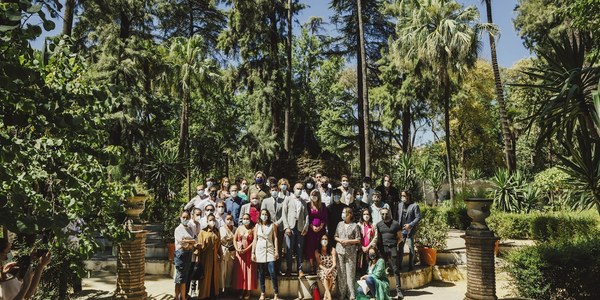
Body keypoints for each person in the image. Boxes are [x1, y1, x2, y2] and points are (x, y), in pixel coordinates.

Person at [282, 182, 309, 277]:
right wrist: (286, 227)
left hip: (300, 228)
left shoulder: (303, 202)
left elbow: (306, 215)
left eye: (301, 189)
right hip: (290, 227)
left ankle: (300, 270)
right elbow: (284, 214)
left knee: (299, 249)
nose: (299, 190)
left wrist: (306, 227)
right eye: (297, 188)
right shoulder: (288, 199)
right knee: (289, 250)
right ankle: (289, 270)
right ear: (293, 189)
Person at [252, 209, 280, 300]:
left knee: (272, 272)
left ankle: (276, 293)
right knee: (261, 273)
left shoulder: (272, 225)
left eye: (266, 214)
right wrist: (253, 253)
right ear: (260, 215)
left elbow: (275, 238)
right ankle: (262, 293)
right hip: (259, 250)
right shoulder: (257, 226)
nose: (264, 216)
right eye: (262, 214)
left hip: (270, 249)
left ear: (268, 215)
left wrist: (276, 251)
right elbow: (254, 239)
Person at [377, 208, 404, 299]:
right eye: (383, 214)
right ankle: (384, 291)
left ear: (390, 213)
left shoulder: (396, 224)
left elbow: (400, 237)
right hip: (383, 250)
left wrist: (394, 245)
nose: (385, 215)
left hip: (392, 249)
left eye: (386, 213)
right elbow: (378, 239)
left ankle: (399, 291)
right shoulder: (379, 225)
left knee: (395, 270)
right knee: (382, 271)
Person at [261, 181, 288, 272]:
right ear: (270, 191)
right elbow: (263, 213)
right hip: (268, 228)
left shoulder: (283, 200)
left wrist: (278, 223)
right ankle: (267, 270)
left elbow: (285, 214)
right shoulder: (265, 201)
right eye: (273, 190)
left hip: (279, 228)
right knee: (268, 248)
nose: (274, 191)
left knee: (278, 248)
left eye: (276, 190)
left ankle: (277, 269)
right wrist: (271, 224)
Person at [335, 207, 361, 300]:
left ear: (349, 215)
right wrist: (340, 240)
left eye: (344, 212)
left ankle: (351, 294)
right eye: (342, 212)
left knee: (350, 273)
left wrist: (348, 241)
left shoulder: (355, 225)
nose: (342, 214)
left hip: (351, 253)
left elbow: (358, 239)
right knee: (341, 273)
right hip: (340, 251)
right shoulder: (339, 224)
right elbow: (336, 236)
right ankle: (341, 294)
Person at [196, 214, 222, 300]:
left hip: (214, 257)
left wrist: (220, 255)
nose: (212, 222)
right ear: (207, 221)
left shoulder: (217, 231)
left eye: (213, 220)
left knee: (214, 276)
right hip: (205, 257)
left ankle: (213, 294)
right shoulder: (202, 232)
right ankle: (204, 295)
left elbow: (219, 245)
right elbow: (199, 246)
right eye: (210, 220)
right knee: (205, 276)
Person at [233, 214, 257, 300]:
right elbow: (234, 239)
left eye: (247, 218)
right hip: (239, 254)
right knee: (241, 272)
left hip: (249, 253)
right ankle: (242, 289)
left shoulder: (253, 229)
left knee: (249, 272)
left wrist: (246, 249)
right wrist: (236, 248)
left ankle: (248, 290)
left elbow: (254, 241)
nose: (245, 220)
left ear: (250, 219)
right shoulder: (239, 228)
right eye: (244, 218)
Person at [173, 211, 196, 300]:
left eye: (187, 217)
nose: (185, 219)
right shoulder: (178, 229)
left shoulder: (190, 228)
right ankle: (181, 297)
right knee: (180, 277)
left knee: (184, 277)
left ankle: (180, 296)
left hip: (188, 254)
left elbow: (194, 240)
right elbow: (182, 243)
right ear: (180, 217)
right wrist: (189, 242)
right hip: (181, 255)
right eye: (183, 217)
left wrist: (188, 241)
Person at [305, 189, 328, 274]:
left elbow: (325, 218)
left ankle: (320, 265)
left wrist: (320, 226)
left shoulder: (323, 205)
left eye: (316, 195)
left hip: (321, 231)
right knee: (311, 247)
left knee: (319, 246)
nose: (314, 196)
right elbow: (307, 218)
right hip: (311, 231)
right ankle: (311, 266)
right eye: (312, 195)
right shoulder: (308, 205)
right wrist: (312, 226)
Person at [397, 190, 421, 271]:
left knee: (411, 248)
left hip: (410, 231)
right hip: (401, 230)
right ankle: (399, 265)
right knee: (400, 248)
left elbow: (418, 217)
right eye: (402, 196)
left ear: (408, 196)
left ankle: (411, 266)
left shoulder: (414, 206)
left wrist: (410, 225)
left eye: (404, 195)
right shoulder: (400, 205)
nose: (403, 197)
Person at [219, 214, 236, 294]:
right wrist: (232, 238)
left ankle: (228, 287)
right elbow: (222, 239)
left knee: (230, 270)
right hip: (224, 250)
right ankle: (221, 288)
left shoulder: (235, 229)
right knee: (223, 270)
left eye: (230, 219)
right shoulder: (221, 229)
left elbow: (236, 239)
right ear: (225, 219)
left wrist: (232, 238)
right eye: (227, 219)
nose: (229, 220)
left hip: (232, 251)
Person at [357, 209, 378, 276]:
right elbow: (357, 237)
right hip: (361, 250)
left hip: (371, 249)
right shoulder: (359, 225)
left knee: (370, 267)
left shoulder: (373, 225)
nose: (366, 216)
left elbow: (376, 237)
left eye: (367, 214)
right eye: (364, 214)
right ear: (362, 215)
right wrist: (362, 247)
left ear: (370, 215)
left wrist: (368, 247)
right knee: (362, 268)